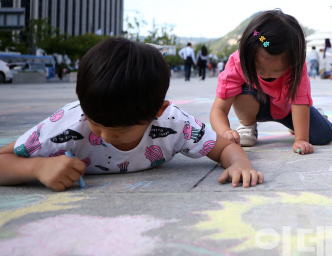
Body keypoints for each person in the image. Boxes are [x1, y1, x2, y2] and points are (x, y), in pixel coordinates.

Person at [0, 38, 263, 191]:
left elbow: (224, 148)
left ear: (157, 112)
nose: (103, 135)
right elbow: (4, 159)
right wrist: (37, 167)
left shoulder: (173, 122)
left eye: (119, 131)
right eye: (96, 123)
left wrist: (240, 164)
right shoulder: (69, 124)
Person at [210, 10, 332, 154]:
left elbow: (299, 101)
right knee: (241, 91)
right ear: (247, 54)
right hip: (255, 105)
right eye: (259, 67)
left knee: (324, 135)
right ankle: (247, 125)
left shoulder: (297, 65)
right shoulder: (238, 62)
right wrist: (225, 131)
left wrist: (301, 139)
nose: (266, 74)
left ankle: (302, 119)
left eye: (277, 71)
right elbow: (218, 110)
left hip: (288, 108)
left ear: (292, 61)